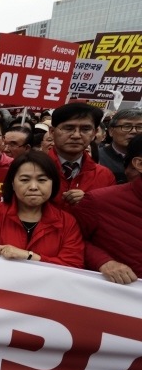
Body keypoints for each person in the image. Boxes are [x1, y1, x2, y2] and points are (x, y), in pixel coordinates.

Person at [0, 151, 84, 268]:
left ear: (53, 183)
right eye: (24, 180)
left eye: (42, 180)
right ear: (12, 183)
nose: (33, 187)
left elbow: (73, 265)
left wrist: (29, 256)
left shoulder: (67, 222)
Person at [71, 134, 142, 284]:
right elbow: (69, 240)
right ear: (139, 164)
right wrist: (104, 262)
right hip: (115, 295)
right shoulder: (98, 201)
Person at [47, 103, 115, 209]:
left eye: (85, 129)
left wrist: (89, 202)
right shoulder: (29, 169)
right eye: (68, 128)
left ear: (94, 133)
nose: (76, 135)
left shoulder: (105, 176)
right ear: (52, 132)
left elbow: (108, 213)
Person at [99, 108, 142, 184]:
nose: (134, 131)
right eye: (126, 126)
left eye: (140, 127)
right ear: (111, 131)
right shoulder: (96, 157)